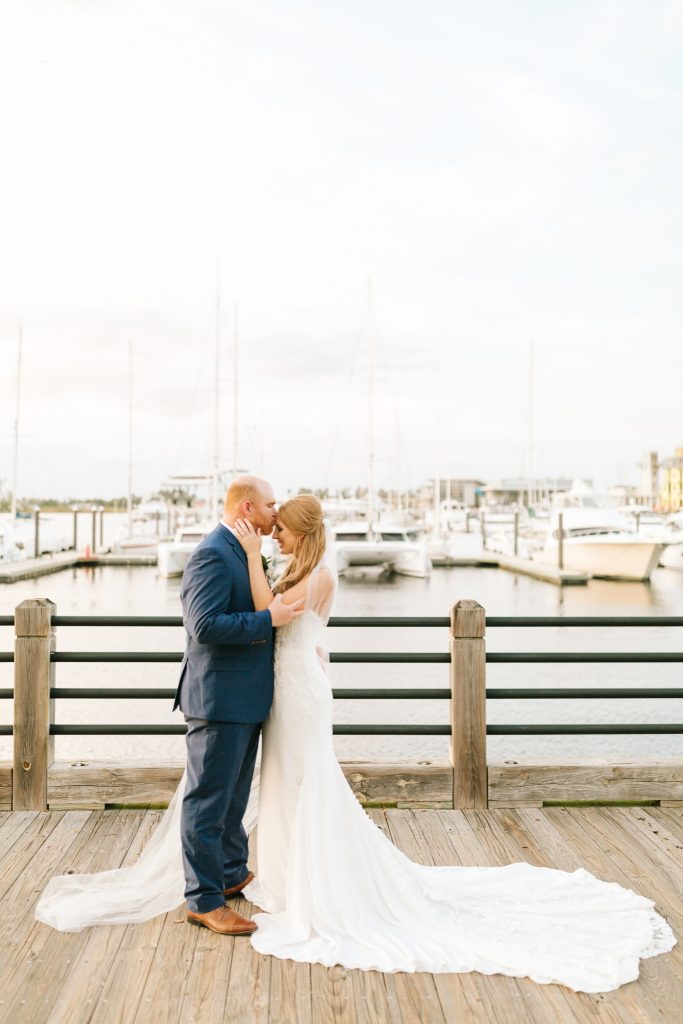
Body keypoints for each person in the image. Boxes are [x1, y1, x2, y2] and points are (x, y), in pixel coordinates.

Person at [34, 492, 675, 993]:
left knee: (305, 783)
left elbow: (273, 611)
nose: (274, 532)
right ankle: (267, 873)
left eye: (282, 528)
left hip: (297, 692)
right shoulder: (295, 567)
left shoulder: (313, 576)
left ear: (301, 533)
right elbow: (274, 615)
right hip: (281, 689)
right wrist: (261, 557)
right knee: (280, 784)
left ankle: (301, 881)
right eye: (270, 523)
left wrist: (253, 555)